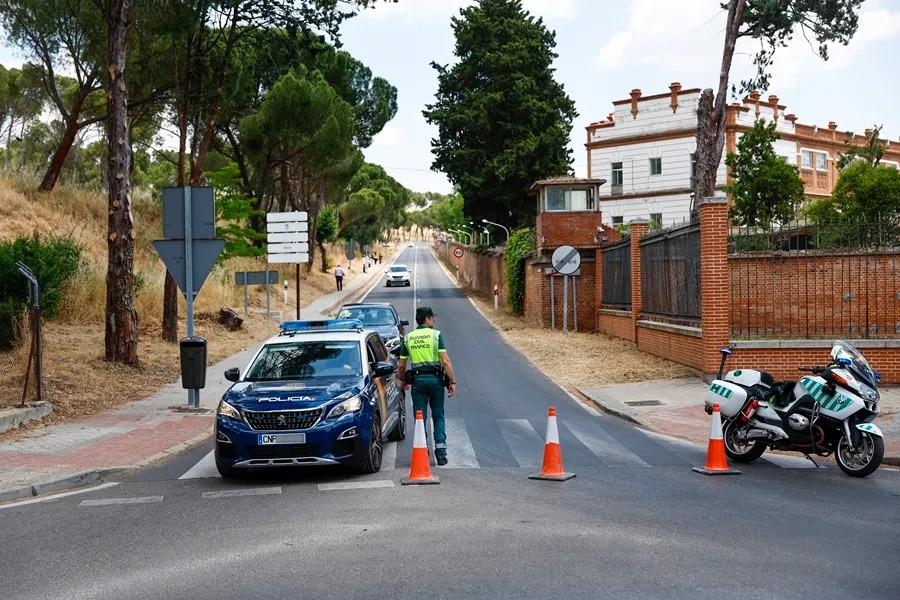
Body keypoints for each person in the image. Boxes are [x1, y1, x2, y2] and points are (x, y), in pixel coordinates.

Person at [397, 306, 457, 466]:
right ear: (428, 319)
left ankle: (423, 451)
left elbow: (402, 364)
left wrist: (403, 379)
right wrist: (452, 381)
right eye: (432, 318)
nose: (434, 320)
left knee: (419, 417)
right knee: (438, 415)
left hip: (417, 382)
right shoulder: (436, 336)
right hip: (436, 381)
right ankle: (441, 454)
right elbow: (445, 361)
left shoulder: (408, 338)